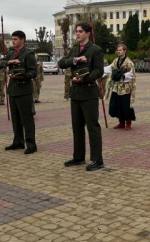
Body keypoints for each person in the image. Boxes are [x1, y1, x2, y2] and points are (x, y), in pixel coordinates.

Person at [58, 22, 105, 170]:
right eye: (76, 31)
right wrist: (74, 60)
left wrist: (85, 78)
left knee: (92, 127)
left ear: (88, 33)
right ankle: (78, 157)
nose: (77, 34)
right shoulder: (74, 50)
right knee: (77, 127)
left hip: (89, 92)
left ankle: (97, 160)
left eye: (80, 31)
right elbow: (61, 63)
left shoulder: (95, 50)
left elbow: (99, 71)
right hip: (76, 93)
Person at [0, 30, 38, 155]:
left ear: (22, 40)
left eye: (15, 39)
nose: (13, 41)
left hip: (24, 89)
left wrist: (23, 75)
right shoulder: (11, 53)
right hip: (13, 89)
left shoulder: (28, 54)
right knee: (15, 119)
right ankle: (18, 141)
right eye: (13, 39)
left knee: (27, 119)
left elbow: (33, 72)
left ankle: (31, 144)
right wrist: (9, 62)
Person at [103, 44, 136, 130]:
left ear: (125, 51)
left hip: (125, 87)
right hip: (116, 87)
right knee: (117, 104)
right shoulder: (115, 61)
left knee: (126, 104)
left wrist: (121, 75)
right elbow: (109, 68)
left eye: (120, 50)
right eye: (118, 50)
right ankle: (121, 122)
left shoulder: (129, 62)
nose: (118, 51)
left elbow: (131, 75)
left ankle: (128, 122)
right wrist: (100, 71)